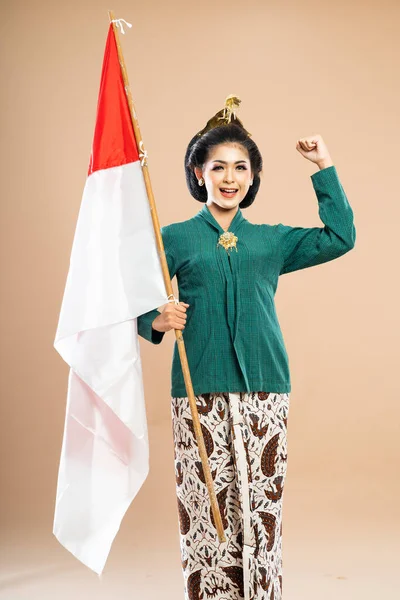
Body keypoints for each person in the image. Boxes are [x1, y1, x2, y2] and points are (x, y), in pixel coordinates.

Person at [137, 96, 356, 600]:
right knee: (205, 510)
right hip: (198, 393)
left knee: (262, 510)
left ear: (254, 177)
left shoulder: (271, 241)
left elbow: (341, 236)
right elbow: (123, 302)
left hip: (265, 392)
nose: (229, 178)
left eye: (241, 168)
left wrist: (324, 166)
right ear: (198, 173)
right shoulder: (172, 237)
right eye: (218, 167)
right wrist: (155, 318)